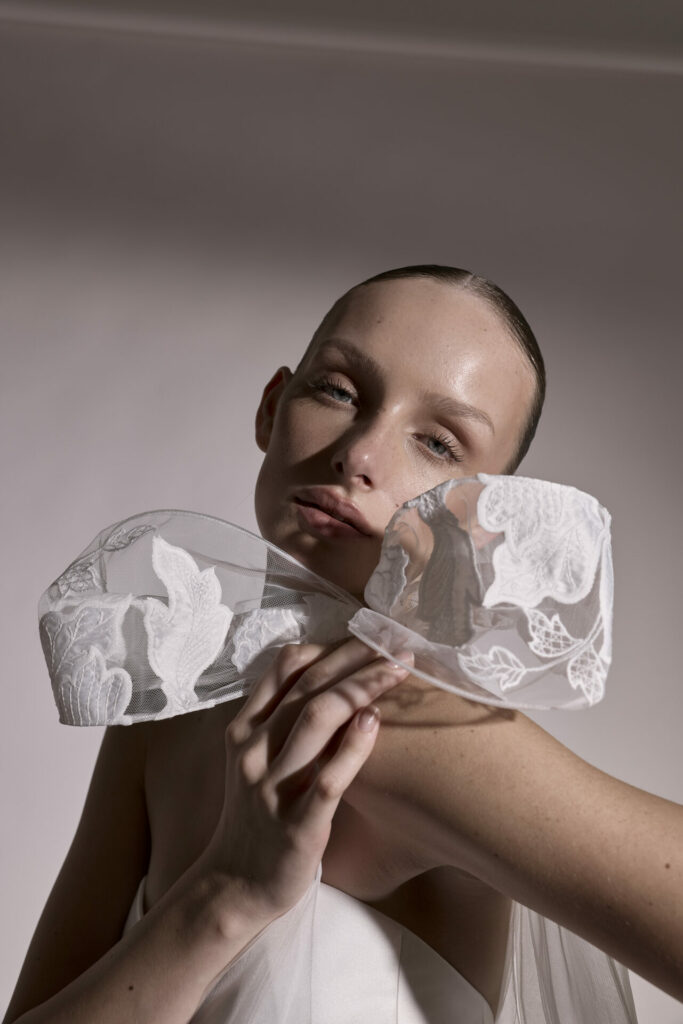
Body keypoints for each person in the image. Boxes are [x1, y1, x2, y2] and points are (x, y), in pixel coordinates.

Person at [4, 266, 682, 1024]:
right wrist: (224, 897)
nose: (360, 454)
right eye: (337, 391)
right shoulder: (174, 694)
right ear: (272, 407)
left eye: (437, 442)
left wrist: (230, 894)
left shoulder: (390, 721)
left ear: (485, 517)